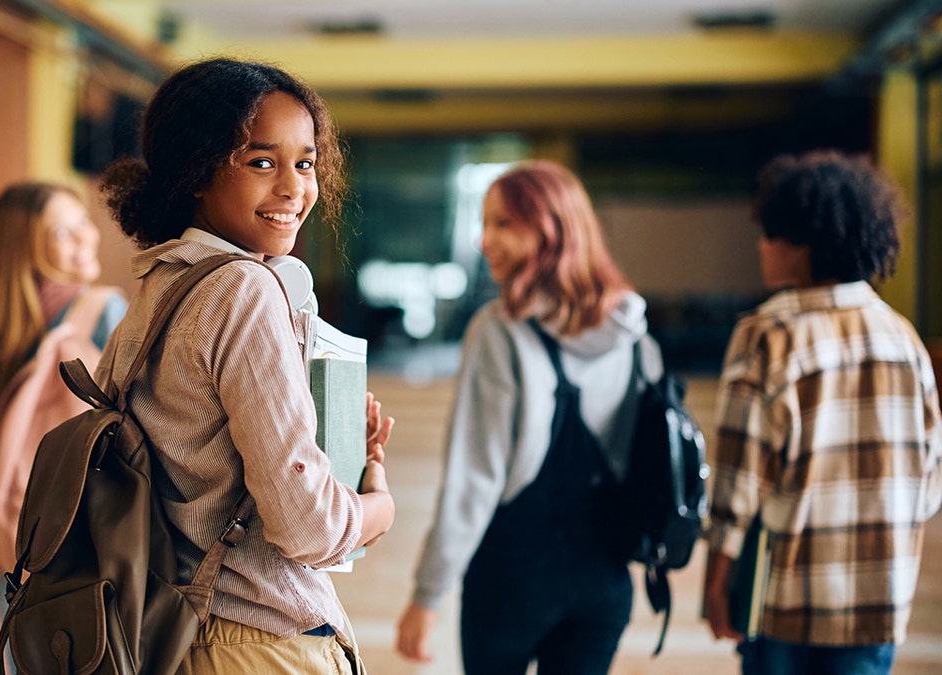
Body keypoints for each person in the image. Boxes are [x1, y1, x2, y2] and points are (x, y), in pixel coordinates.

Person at [94, 57, 395, 673]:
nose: (293, 188)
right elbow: (307, 527)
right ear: (196, 171)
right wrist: (376, 504)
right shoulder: (243, 290)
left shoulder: (158, 287)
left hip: (172, 629)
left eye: (304, 163)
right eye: (261, 162)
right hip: (259, 641)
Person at [396, 160, 662, 674]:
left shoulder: (500, 332)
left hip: (512, 578)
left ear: (550, 230)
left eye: (503, 224)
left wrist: (427, 596)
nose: (483, 240)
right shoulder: (636, 338)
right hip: (605, 581)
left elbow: (473, 479)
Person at [701, 150, 942, 675]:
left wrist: (717, 579)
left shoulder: (767, 335)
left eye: (771, 234)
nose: (762, 246)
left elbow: (738, 483)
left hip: (786, 600)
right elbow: (928, 482)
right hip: (878, 601)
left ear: (804, 244)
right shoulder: (904, 339)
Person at [0, 181, 127, 647]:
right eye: (63, 232)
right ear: (27, 247)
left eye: (82, 224)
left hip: (9, 545)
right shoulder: (102, 312)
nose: (87, 237)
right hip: (78, 545)